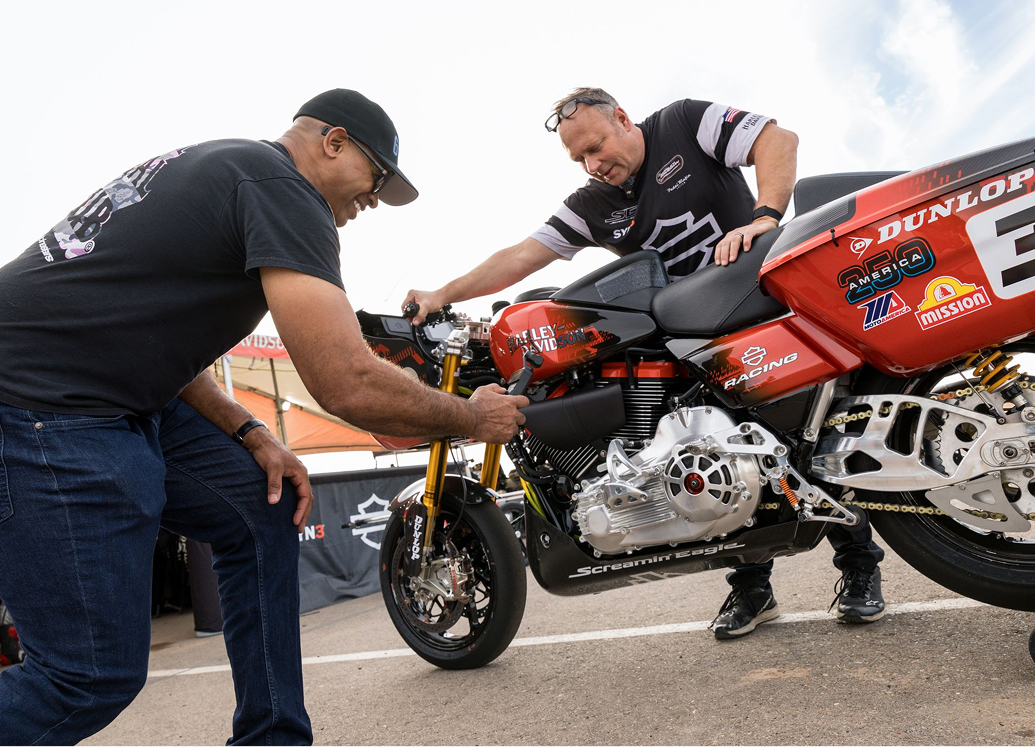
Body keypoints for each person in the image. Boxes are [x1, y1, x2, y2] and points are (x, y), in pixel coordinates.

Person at [0, 88, 527, 746]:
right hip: (42, 402)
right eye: (375, 180)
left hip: (104, 386)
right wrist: (471, 416)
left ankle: (272, 737)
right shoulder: (283, 189)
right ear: (332, 142)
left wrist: (249, 431)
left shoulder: (225, 168)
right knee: (84, 676)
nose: (370, 202)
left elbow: (152, 336)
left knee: (262, 501)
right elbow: (344, 380)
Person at [403, 87, 885, 641]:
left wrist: (765, 217)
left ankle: (859, 567)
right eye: (579, 158)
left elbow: (778, 139)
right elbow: (520, 256)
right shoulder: (592, 203)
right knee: (708, 461)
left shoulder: (682, 124)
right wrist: (444, 292)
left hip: (761, 310)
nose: (592, 163)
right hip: (680, 346)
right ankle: (753, 589)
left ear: (624, 119)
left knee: (812, 444)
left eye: (596, 146)